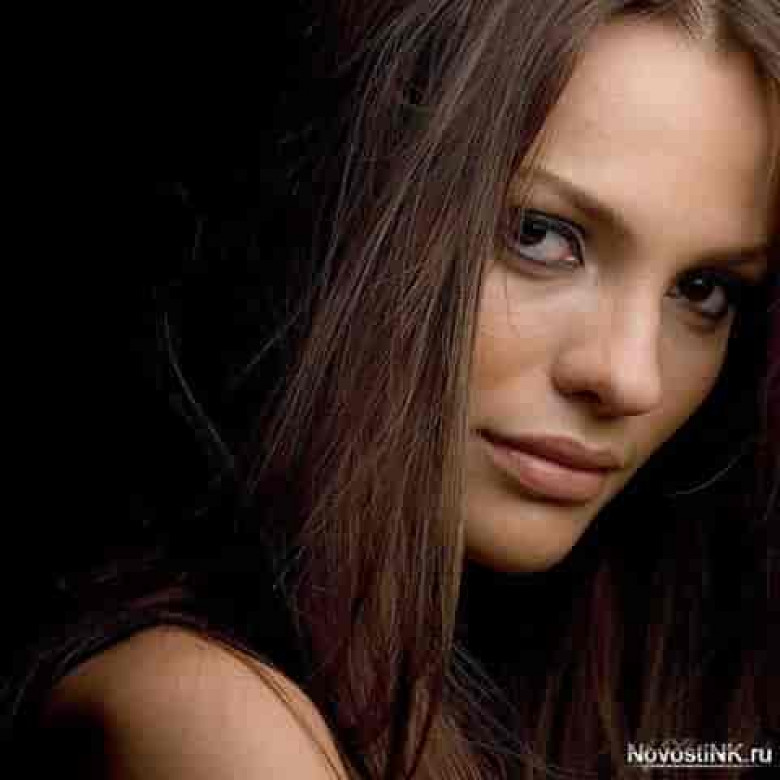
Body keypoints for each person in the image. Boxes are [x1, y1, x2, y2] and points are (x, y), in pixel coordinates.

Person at [3, 1, 779, 777]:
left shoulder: (652, 694)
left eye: (703, 289)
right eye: (540, 236)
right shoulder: (213, 721)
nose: (631, 378)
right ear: (351, 209)